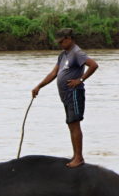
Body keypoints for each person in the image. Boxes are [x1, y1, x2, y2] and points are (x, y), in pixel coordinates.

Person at [31, 28, 98, 168]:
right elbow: (54, 73)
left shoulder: (77, 53)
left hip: (74, 93)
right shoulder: (63, 55)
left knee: (74, 123)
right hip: (66, 95)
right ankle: (76, 155)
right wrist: (39, 86)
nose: (60, 44)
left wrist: (80, 79)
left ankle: (79, 158)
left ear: (69, 39)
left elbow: (93, 65)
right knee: (70, 124)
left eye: (62, 41)